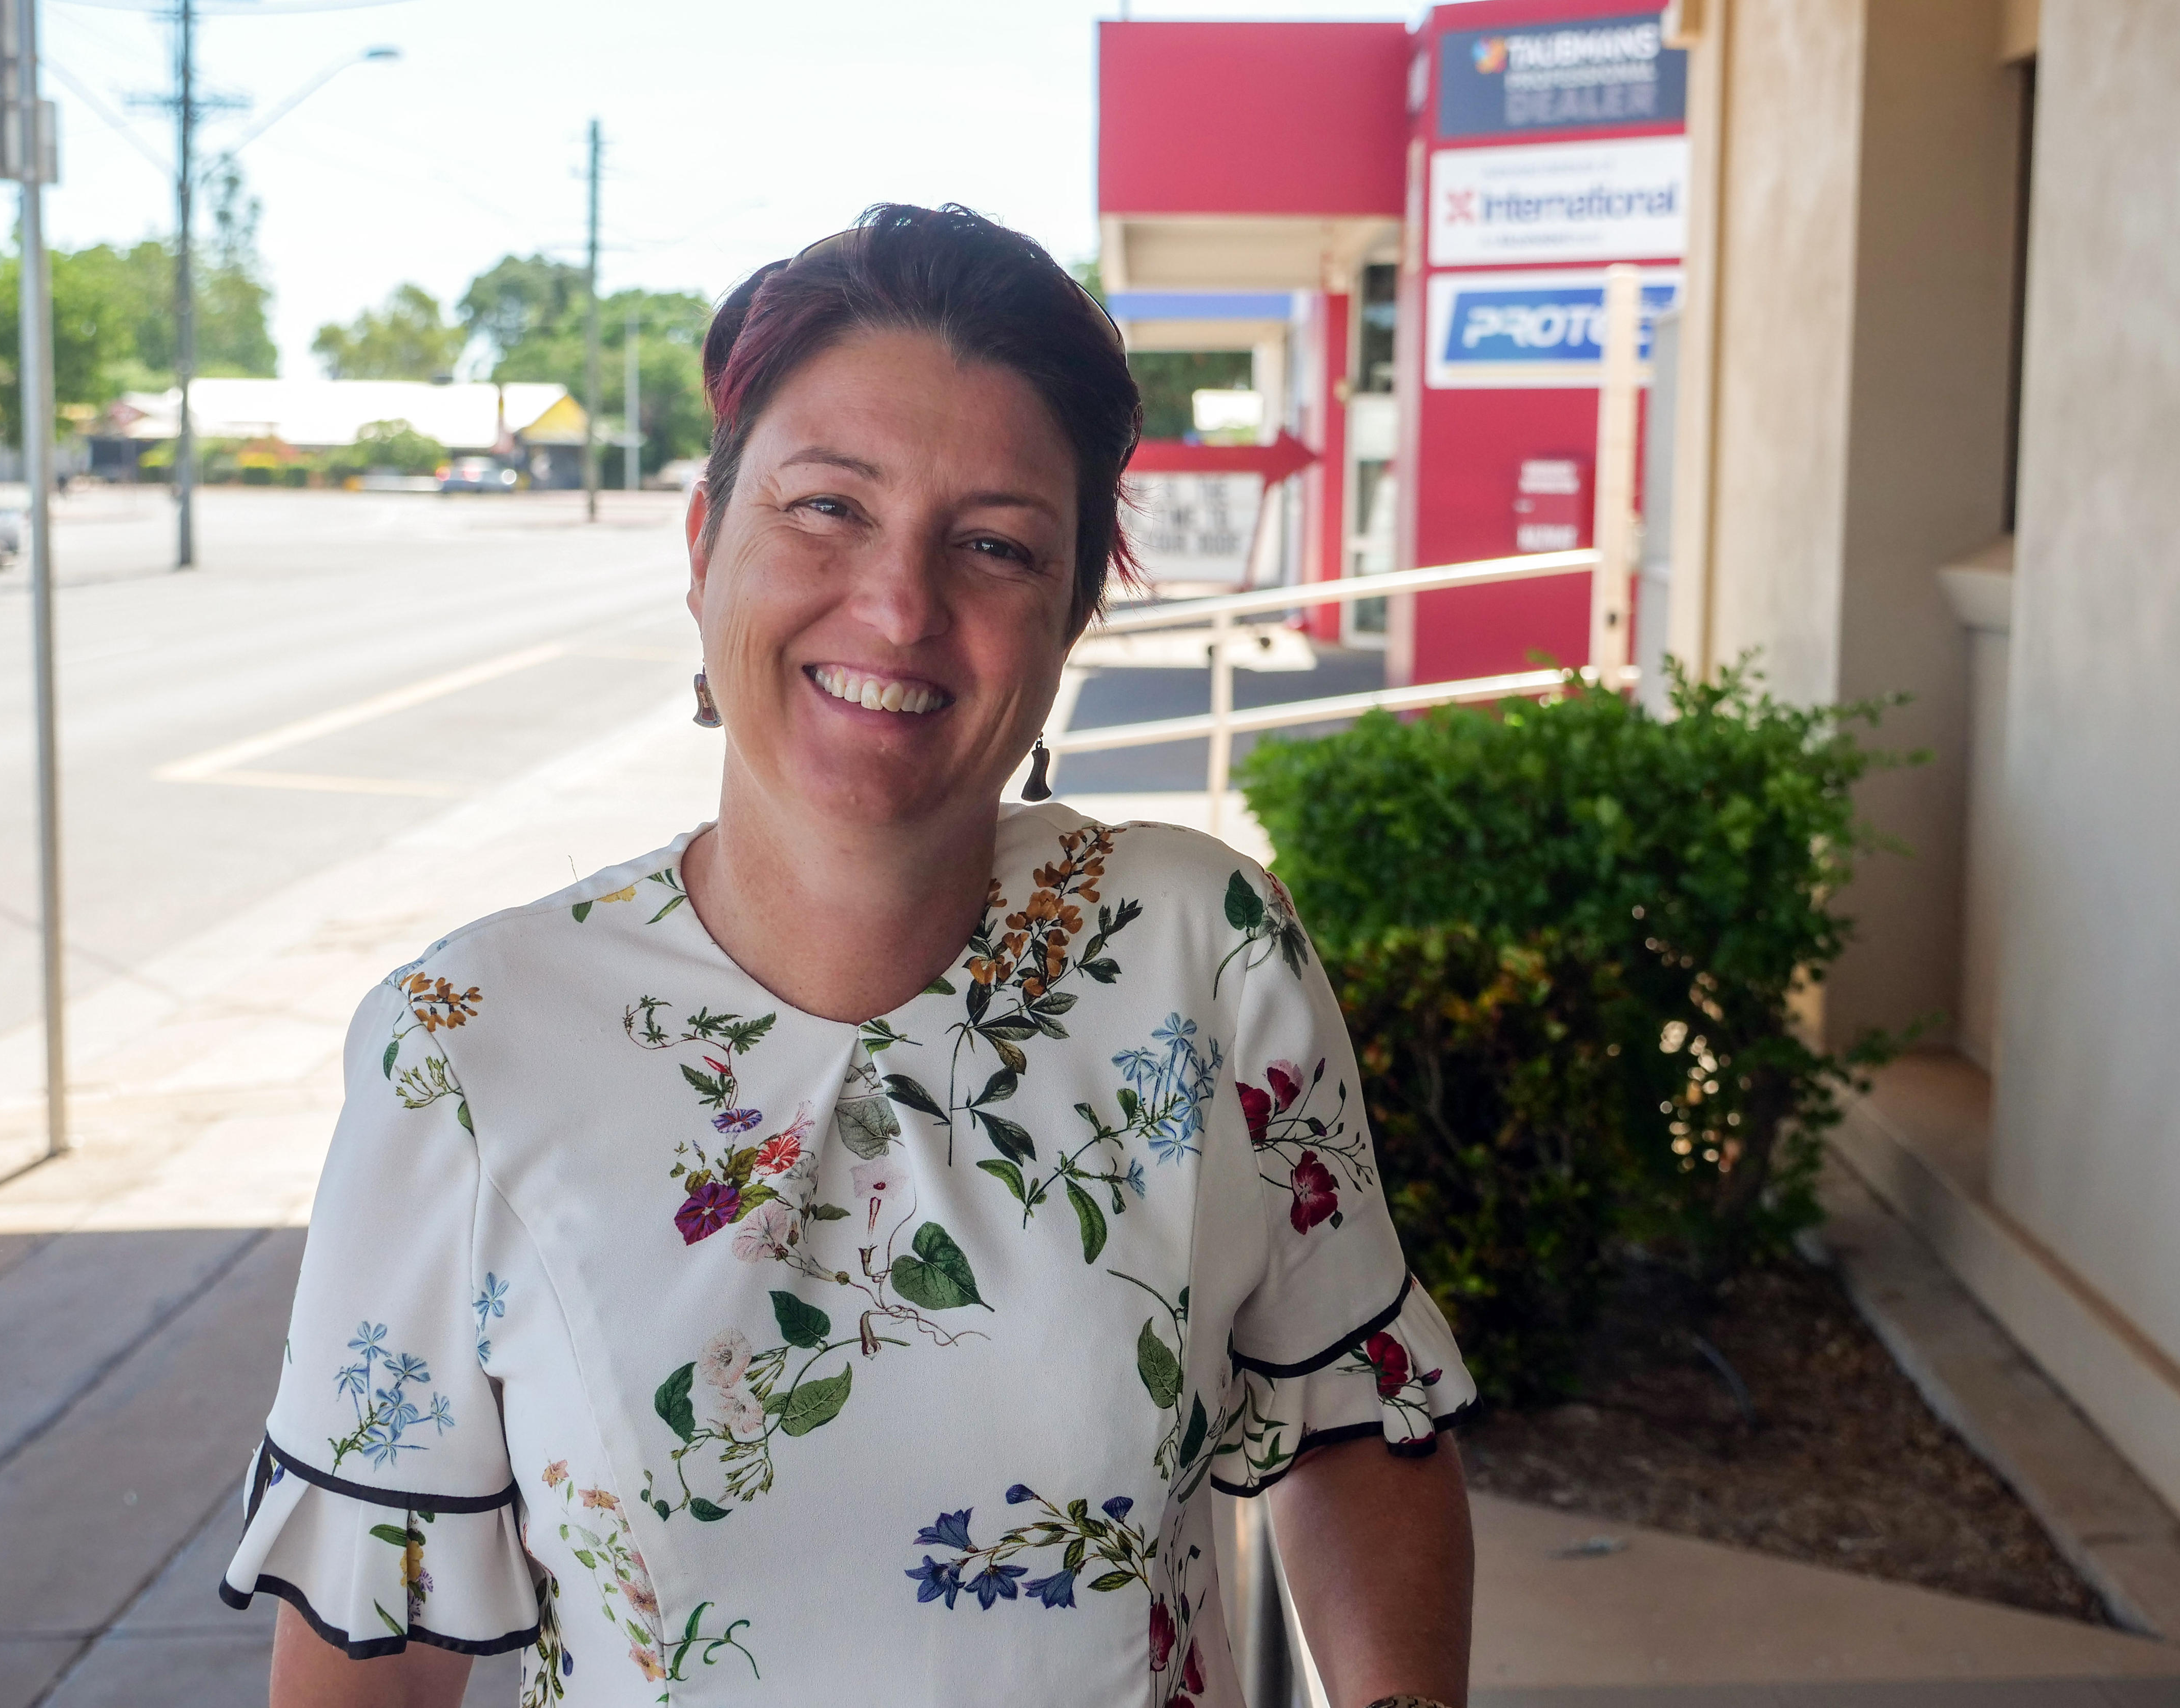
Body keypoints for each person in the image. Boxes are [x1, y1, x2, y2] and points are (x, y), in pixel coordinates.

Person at [226, 203, 1477, 1708]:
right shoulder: (464, 1053)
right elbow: (387, 1635)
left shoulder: (1201, 958)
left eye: (997, 545)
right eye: (827, 508)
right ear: (704, 546)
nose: (898, 608)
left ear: (1072, 615)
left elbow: (1355, 1420)